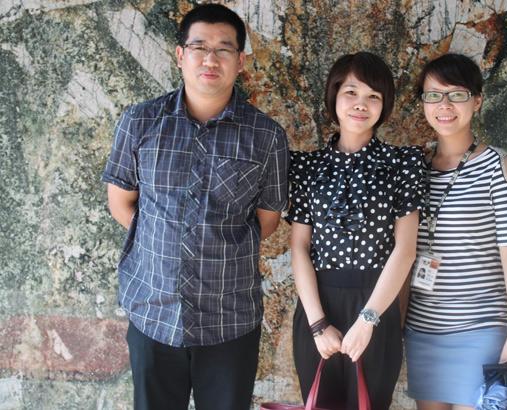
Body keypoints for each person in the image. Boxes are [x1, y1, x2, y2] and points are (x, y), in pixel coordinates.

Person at [101, 4, 289, 410]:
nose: (210, 59)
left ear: (240, 61)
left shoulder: (266, 136)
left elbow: (268, 219)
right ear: (180, 54)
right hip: (153, 312)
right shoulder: (140, 122)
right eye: (199, 46)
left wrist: (211, 243)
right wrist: (166, 236)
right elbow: (121, 201)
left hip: (229, 318)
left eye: (224, 49)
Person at [287, 51, 427, 410]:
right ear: (334, 95)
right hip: (318, 306)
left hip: (376, 305)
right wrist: (318, 324)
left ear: (384, 105)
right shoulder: (307, 166)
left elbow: (405, 250)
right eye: (351, 92)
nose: (361, 104)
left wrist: (368, 320)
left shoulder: (403, 163)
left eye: (373, 96)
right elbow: (299, 247)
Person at [404, 53, 507, 410]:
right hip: (423, 332)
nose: (444, 105)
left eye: (457, 95)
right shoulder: (414, 169)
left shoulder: (498, 165)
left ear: (477, 101)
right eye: (433, 95)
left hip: (483, 330)